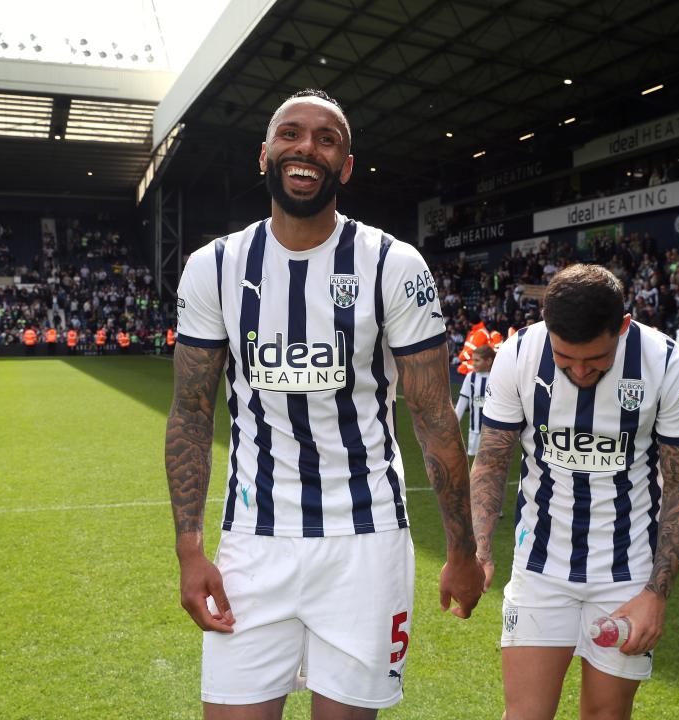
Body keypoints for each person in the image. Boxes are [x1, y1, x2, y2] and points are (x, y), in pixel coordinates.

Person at [165, 89, 482, 719]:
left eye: (326, 138)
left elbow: (434, 415)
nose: (305, 146)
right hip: (255, 542)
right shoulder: (215, 265)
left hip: (364, 544)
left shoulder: (394, 263)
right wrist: (190, 549)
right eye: (290, 133)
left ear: (346, 164)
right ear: (265, 155)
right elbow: (191, 413)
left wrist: (462, 551)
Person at [471, 264, 679, 720]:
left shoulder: (666, 361)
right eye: (564, 358)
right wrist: (479, 547)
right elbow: (492, 459)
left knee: (605, 716)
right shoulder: (518, 352)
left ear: (621, 326)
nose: (579, 370)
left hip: (627, 573)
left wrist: (657, 593)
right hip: (540, 566)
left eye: (595, 359)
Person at [455, 344, 496, 458]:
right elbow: (462, 403)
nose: (473, 363)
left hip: (493, 432)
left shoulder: (496, 377)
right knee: (474, 464)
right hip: (474, 431)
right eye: (473, 360)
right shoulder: (470, 377)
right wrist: (453, 426)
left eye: (477, 360)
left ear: (488, 361)